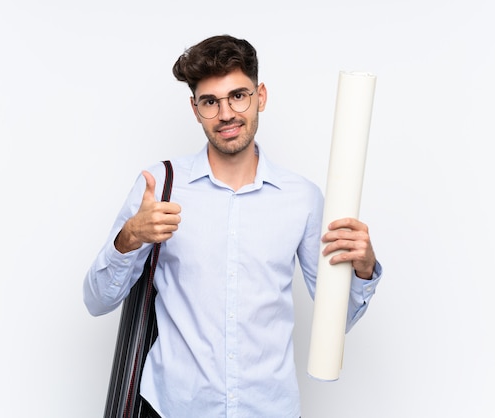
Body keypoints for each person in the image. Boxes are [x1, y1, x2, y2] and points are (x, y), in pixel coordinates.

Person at [84, 34, 382, 418]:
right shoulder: (159, 187)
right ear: (195, 109)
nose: (226, 114)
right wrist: (129, 238)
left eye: (238, 96)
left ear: (260, 96)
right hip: (175, 409)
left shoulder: (302, 198)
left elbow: (336, 322)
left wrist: (362, 268)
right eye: (210, 102)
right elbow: (96, 301)